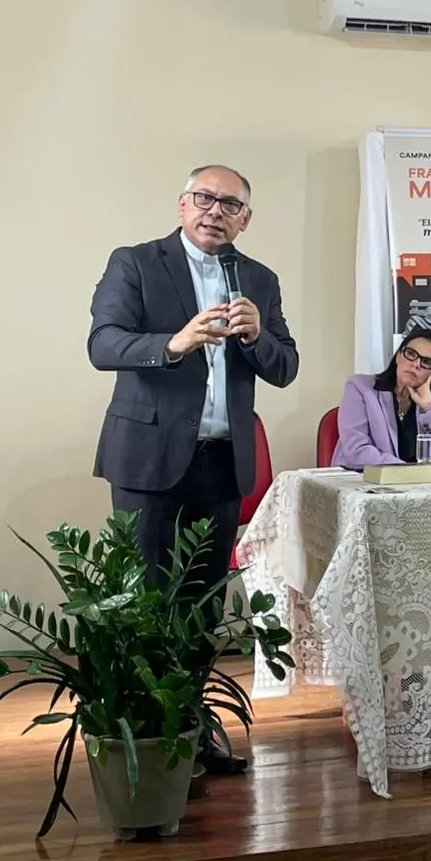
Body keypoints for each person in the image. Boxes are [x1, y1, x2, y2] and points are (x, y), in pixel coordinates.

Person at [88, 164, 299, 774]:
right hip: (148, 459)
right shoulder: (135, 262)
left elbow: (284, 367)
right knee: (146, 601)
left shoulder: (257, 277)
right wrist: (174, 343)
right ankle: (142, 739)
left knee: (202, 609)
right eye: (204, 198)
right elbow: (103, 344)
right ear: (183, 204)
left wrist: (259, 337)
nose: (215, 211)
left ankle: (193, 735)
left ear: (245, 219)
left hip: (220, 462)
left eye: (230, 204)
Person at [332, 329, 431, 468]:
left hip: (417, 485)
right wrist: (406, 471)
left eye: (426, 362)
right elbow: (357, 451)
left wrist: (429, 407)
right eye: (411, 354)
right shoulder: (360, 387)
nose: (416, 364)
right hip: (364, 481)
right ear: (398, 356)